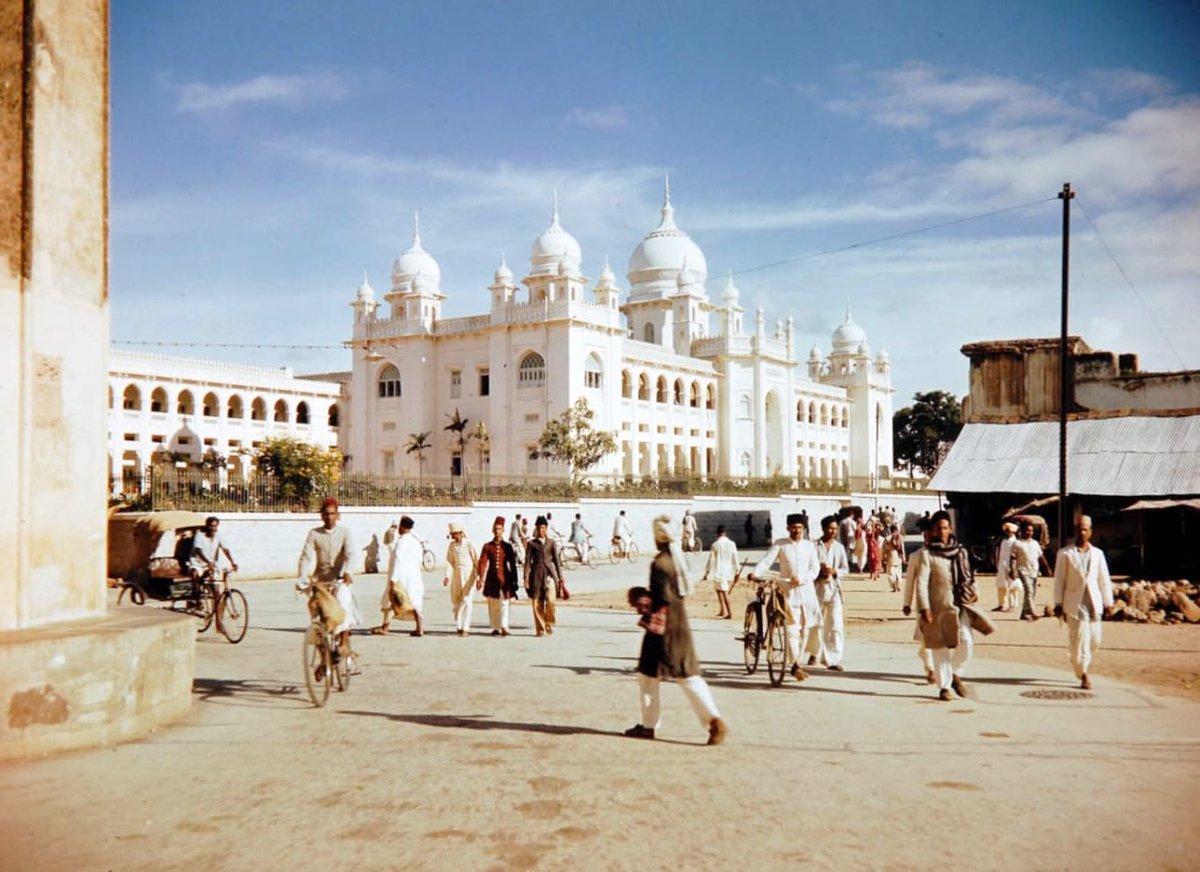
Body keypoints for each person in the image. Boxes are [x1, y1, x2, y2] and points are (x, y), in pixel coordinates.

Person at [624, 515, 727, 746]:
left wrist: (641, 597)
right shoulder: (677, 560)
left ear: (657, 538)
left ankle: (649, 726)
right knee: (688, 675)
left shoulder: (660, 563)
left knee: (648, 677)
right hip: (680, 626)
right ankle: (714, 722)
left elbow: (662, 598)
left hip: (662, 630)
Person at [913, 510, 978, 701]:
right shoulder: (927, 554)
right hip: (937, 606)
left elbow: (969, 576)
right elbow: (922, 583)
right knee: (939, 648)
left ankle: (955, 671)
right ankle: (945, 687)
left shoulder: (960, 552)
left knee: (966, 641)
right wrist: (924, 607)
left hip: (960, 604)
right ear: (932, 531)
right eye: (938, 528)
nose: (942, 531)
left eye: (945, 528)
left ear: (950, 529)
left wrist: (974, 592)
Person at [750, 512, 821, 681]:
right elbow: (766, 561)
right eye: (793, 527)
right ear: (788, 528)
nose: (796, 530)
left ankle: (798, 662)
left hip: (807, 593)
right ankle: (795, 664)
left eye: (799, 527)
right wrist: (755, 573)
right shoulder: (781, 544)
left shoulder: (809, 546)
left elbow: (815, 568)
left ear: (804, 528)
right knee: (791, 629)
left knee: (804, 629)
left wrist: (803, 578)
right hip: (786, 592)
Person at [297, 498, 359, 671]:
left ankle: (344, 642)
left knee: (344, 602)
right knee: (316, 614)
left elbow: (350, 554)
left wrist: (348, 572)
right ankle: (324, 659)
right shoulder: (314, 534)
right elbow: (306, 557)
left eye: (332, 514)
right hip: (320, 580)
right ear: (321, 515)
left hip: (339, 579)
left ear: (337, 515)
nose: (329, 517)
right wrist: (302, 578)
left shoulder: (345, 532)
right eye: (326, 514)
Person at [1053, 515, 1114, 690]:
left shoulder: (1098, 554)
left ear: (1091, 532)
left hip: (1094, 603)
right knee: (1079, 639)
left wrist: (1108, 603)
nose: (1082, 532)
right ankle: (1083, 673)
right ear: (1075, 531)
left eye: (1085, 529)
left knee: (1095, 640)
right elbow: (1059, 580)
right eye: (1079, 528)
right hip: (1074, 604)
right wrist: (1058, 603)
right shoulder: (1065, 554)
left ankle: (1076, 660)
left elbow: (1104, 579)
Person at [809, 515, 850, 671]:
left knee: (835, 626)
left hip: (834, 591)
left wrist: (834, 572)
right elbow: (809, 567)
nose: (833, 531)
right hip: (816, 590)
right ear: (823, 529)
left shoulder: (839, 548)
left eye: (835, 528)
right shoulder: (813, 546)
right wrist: (819, 572)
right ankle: (815, 653)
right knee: (815, 624)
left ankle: (832, 659)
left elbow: (845, 569)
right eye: (830, 528)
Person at [376, 515, 425, 636]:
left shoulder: (402, 542)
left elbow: (398, 559)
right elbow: (420, 560)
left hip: (401, 577)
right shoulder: (416, 542)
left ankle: (385, 627)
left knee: (391, 600)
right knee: (415, 602)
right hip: (415, 576)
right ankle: (420, 628)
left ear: (402, 527)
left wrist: (393, 579)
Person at [901, 524, 936, 684]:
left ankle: (927, 658)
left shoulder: (943, 554)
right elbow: (910, 582)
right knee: (927, 635)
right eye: (927, 535)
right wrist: (907, 603)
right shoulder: (916, 556)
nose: (929, 538)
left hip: (942, 602)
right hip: (923, 604)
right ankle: (930, 669)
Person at [477, 516, 519, 636]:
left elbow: (512, 564)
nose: (497, 531)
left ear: (503, 530)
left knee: (504, 602)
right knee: (493, 603)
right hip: (491, 578)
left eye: (499, 529)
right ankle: (496, 627)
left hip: (505, 578)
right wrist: (481, 577)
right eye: (495, 529)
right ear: (492, 530)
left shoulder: (507, 546)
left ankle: (504, 626)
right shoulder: (487, 546)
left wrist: (515, 579)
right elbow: (483, 562)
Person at [524, 516, 564, 636]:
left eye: (543, 527)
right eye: (539, 527)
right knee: (537, 603)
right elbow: (527, 562)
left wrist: (560, 577)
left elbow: (557, 561)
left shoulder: (552, 543)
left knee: (551, 601)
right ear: (536, 529)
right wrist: (526, 578)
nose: (541, 530)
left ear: (546, 528)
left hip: (549, 575)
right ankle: (541, 629)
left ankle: (549, 622)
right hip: (536, 576)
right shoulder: (531, 544)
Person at [442, 521, 478, 636]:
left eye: (455, 534)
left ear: (461, 533)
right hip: (457, 575)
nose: (454, 537)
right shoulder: (451, 546)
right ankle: (459, 625)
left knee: (467, 601)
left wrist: (479, 577)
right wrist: (447, 576)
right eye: (452, 534)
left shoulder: (469, 544)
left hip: (469, 575)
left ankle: (466, 628)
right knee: (457, 601)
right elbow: (449, 561)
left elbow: (476, 561)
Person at [1012, 521, 1051, 621]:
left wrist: (1047, 568)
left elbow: (1041, 556)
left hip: (1034, 571)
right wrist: (1013, 570)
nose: (1030, 532)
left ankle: (1024, 613)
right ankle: (1033, 612)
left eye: (1031, 531)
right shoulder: (1017, 543)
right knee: (1029, 591)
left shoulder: (1035, 543)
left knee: (1032, 592)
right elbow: (1013, 558)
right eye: (1028, 530)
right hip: (1023, 570)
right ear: (1023, 531)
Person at [188, 515, 238, 593]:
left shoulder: (218, 536)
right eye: (211, 526)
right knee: (195, 574)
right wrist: (207, 562)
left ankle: (217, 604)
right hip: (197, 564)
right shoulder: (200, 535)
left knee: (216, 589)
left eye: (215, 526)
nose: (213, 528)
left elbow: (225, 550)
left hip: (211, 565)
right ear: (207, 526)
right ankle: (196, 599)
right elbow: (198, 550)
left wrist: (232, 562)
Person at [701, 524, 739, 619]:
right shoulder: (732, 544)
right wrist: (737, 571)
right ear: (725, 533)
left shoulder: (715, 544)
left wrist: (707, 572)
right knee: (719, 590)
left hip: (720, 571)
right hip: (728, 571)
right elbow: (735, 558)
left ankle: (730, 613)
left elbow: (711, 560)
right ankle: (722, 610)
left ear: (717, 533)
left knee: (724, 592)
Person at [994, 522, 1019, 612]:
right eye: (1006, 530)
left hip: (1011, 566)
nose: (1006, 532)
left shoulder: (1015, 542)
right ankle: (1002, 605)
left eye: (1008, 531)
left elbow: (1015, 556)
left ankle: (1012, 605)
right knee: (1001, 585)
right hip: (1002, 564)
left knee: (1012, 586)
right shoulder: (1003, 541)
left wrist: (1014, 568)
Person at [882, 524, 905, 593]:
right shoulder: (900, 537)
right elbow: (902, 548)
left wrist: (883, 557)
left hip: (890, 556)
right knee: (898, 571)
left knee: (890, 572)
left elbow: (884, 549)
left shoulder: (887, 538)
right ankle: (897, 585)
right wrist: (903, 557)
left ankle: (894, 586)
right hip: (898, 557)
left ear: (890, 530)